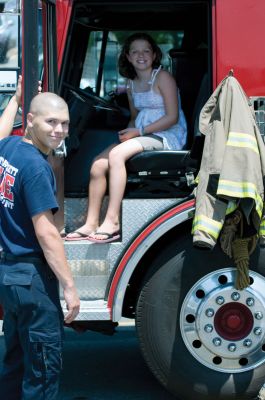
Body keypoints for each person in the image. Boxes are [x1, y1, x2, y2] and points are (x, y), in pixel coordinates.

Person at [65, 32, 187, 243]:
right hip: (142, 133)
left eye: (146, 51)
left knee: (117, 156)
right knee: (97, 164)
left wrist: (138, 133)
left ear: (154, 55)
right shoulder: (130, 84)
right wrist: (127, 133)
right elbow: (134, 116)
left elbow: (172, 117)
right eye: (135, 52)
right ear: (128, 57)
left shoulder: (163, 77)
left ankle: (112, 221)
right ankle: (91, 222)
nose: (141, 56)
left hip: (166, 134)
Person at [0, 92, 80, 399]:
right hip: (33, 280)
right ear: (30, 121)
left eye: (65, 124)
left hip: (10, 275)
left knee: (15, 363)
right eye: (51, 122)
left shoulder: (9, 149)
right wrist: (70, 287)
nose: (59, 130)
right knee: (43, 371)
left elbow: (1, 134)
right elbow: (47, 233)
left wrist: (15, 101)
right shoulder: (36, 168)